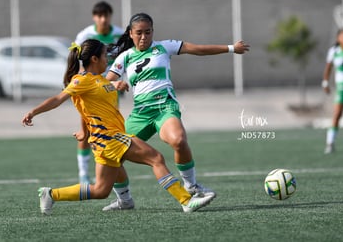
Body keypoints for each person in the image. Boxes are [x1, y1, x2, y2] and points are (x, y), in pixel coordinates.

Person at [21, 39, 215, 215]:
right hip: (110, 138)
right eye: (105, 56)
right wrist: (33, 112)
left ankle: (50, 194)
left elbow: (96, 100)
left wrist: (115, 86)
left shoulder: (99, 79)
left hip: (104, 141)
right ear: (95, 58)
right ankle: (186, 200)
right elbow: (58, 99)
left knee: (101, 190)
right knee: (156, 158)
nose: (108, 60)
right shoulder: (81, 80)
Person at [103, 12, 250, 211]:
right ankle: (124, 200)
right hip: (140, 114)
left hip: (165, 107)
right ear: (130, 34)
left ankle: (191, 186)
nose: (144, 37)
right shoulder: (125, 57)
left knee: (178, 140)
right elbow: (105, 82)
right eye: (139, 33)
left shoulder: (164, 46)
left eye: (148, 32)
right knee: (111, 154)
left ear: (153, 31)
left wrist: (232, 48)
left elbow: (197, 49)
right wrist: (115, 84)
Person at [74, 1, 124, 184]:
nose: (103, 19)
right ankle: (83, 173)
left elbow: (125, 59)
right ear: (94, 17)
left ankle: (103, 169)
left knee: (108, 129)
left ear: (110, 16)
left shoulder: (119, 34)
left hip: (110, 89)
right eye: (99, 15)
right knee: (87, 129)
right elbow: (78, 63)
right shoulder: (85, 35)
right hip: (89, 90)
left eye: (106, 15)